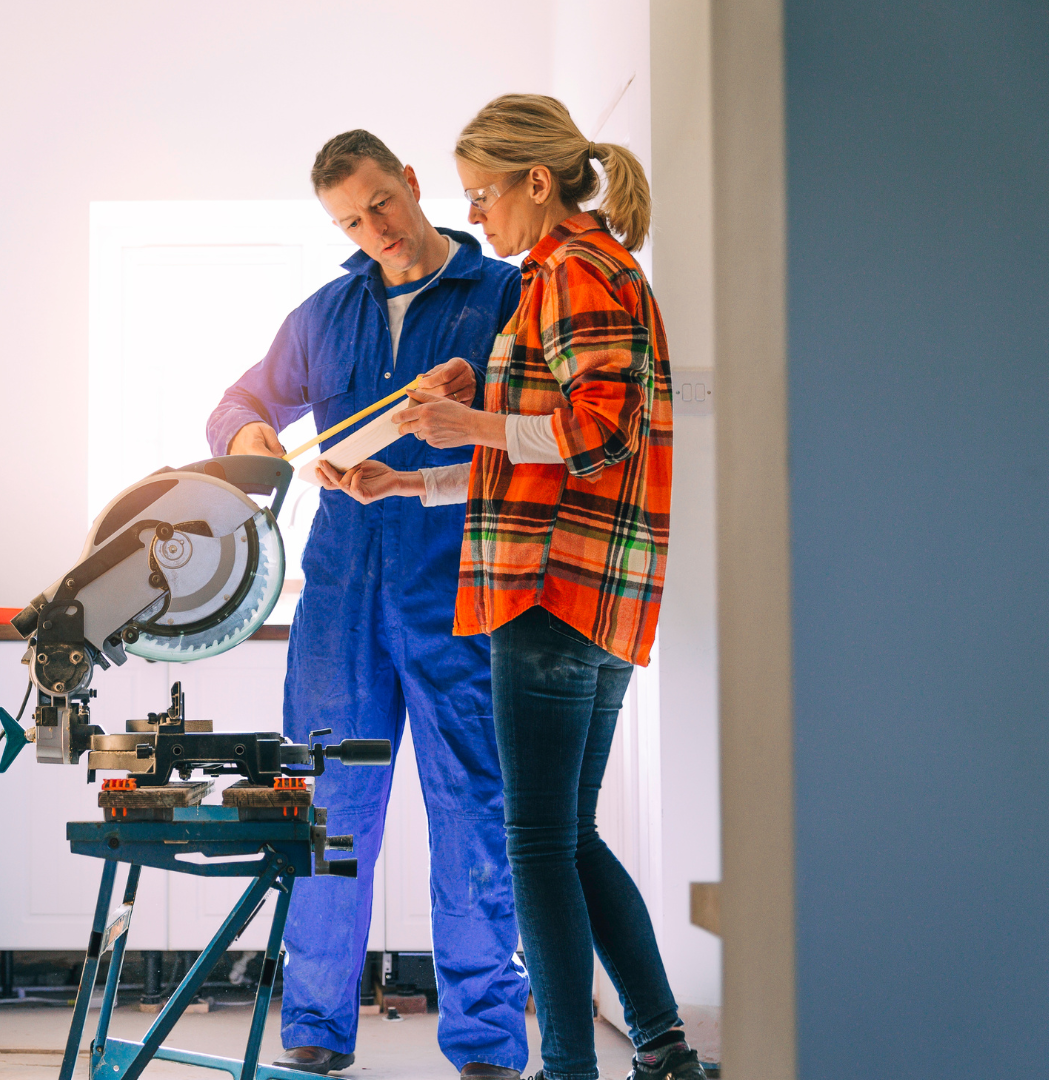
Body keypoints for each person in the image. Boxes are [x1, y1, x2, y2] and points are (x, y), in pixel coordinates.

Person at [326, 94, 706, 1080]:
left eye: (483, 197)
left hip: (549, 590)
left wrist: (477, 424)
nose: (479, 220)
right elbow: (533, 454)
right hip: (589, 589)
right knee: (566, 833)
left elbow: (599, 432)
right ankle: (662, 1047)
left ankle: (570, 1068)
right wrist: (412, 477)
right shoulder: (563, 277)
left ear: (536, 183)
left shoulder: (578, 271)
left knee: (534, 837)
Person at [207, 130, 530, 1080]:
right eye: (350, 219)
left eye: (381, 203)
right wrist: (256, 427)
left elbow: (535, 440)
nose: (374, 228)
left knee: (472, 805)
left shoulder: (504, 297)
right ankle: (314, 1025)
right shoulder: (326, 312)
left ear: (413, 184)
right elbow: (234, 402)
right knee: (326, 807)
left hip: (462, 588)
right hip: (341, 592)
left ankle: (484, 1039)